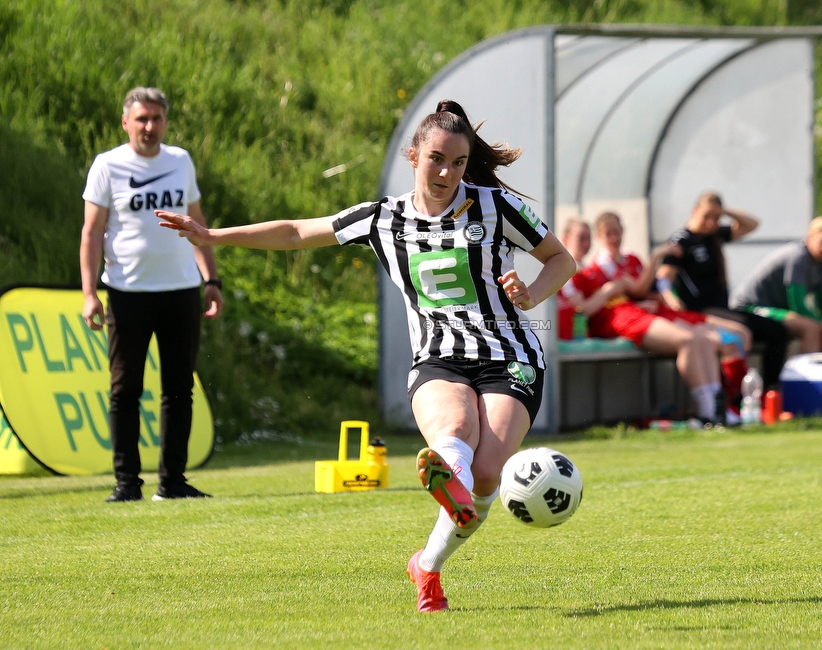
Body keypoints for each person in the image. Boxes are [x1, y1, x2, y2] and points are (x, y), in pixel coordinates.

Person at [155, 100, 577, 612]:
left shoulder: (495, 208)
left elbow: (561, 258)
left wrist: (531, 293)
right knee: (456, 431)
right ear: (414, 155)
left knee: (488, 473)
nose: (447, 172)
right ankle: (449, 482)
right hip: (440, 356)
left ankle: (428, 564)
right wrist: (212, 235)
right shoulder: (383, 218)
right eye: (437, 159)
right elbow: (295, 231)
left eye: (459, 162)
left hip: (510, 355)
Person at [81, 87, 223, 503]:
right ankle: (127, 484)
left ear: (165, 121)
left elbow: (196, 224)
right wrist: (90, 293)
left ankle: (172, 482)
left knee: (179, 389)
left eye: (156, 118)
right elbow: (91, 233)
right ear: (126, 122)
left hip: (181, 291)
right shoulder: (107, 166)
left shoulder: (179, 161)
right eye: (141, 118)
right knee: (126, 390)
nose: (149, 126)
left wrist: (211, 281)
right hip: (127, 293)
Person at [587, 211, 751, 423]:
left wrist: (654, 295)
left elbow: (645, 290)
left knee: (729, 336)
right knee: (700, 339)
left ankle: (722, 406)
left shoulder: (632, 260)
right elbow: (620, 296)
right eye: (608, 234)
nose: (614, 238)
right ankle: (712, 408)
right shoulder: (597, 266)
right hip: (632, 317)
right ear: (599, 237)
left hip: (652, 311)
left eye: (616, 232)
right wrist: (649, 266)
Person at [656, 192, 790, 389]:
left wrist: (724, 210)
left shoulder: (714, 235)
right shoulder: (682, 240)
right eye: (706, 216)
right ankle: (736, 395)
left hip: (723, 309)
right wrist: (669, 297)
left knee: (777, 331)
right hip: (702, 311)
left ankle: (771, 389)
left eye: (716, 218)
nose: (711, 222)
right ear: (694, 211)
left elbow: (751, 224)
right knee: (741, 332)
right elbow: (663, 277)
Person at [729, 215, 822, 353]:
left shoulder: (821, 263)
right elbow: (797, 305)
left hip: (776, 310)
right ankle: (804, 374)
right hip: (749, 307)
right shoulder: (798, 257)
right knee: (812, 328)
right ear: (810, 238)